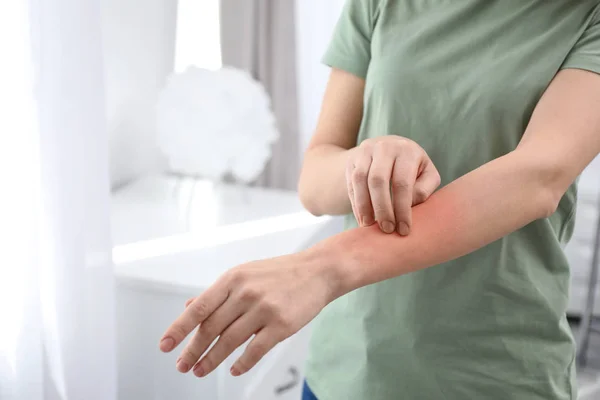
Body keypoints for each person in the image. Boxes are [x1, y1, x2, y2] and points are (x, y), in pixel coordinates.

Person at [159, 1, 600, 399]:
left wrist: (320, 268)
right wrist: (363, 161)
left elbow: (538, 177)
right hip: (347, 370)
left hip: (496, 376)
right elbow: (315, 181)